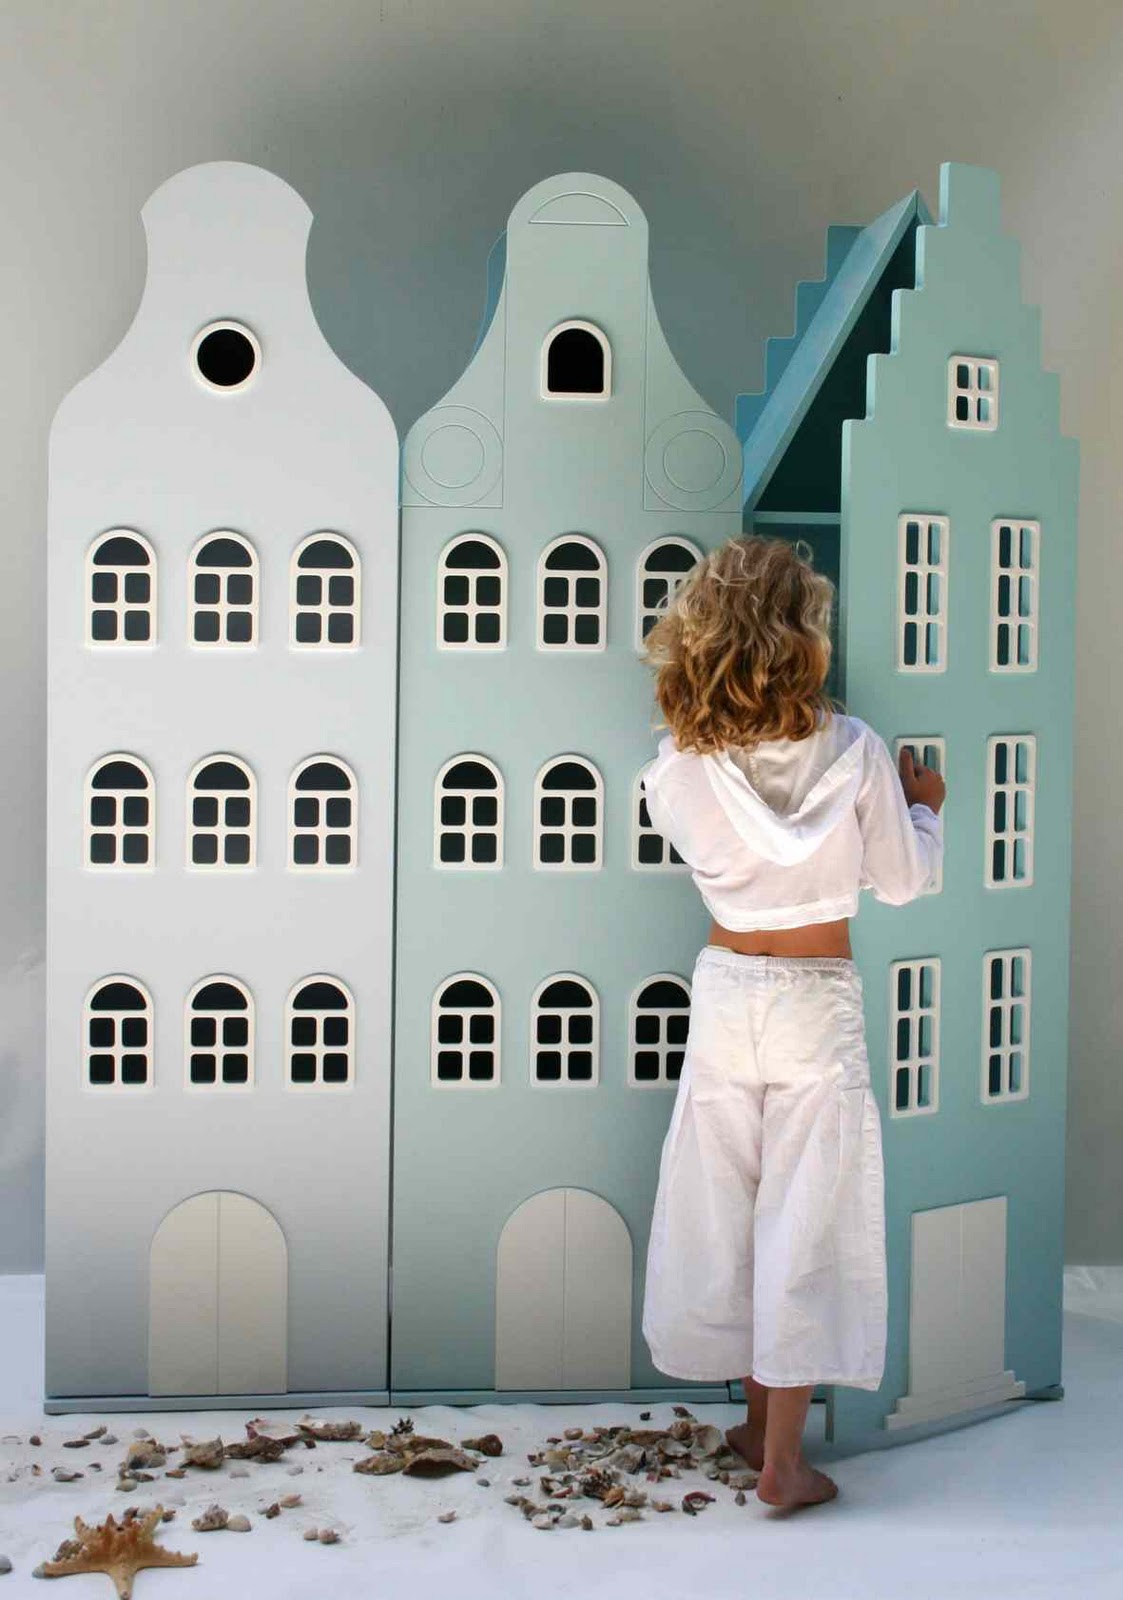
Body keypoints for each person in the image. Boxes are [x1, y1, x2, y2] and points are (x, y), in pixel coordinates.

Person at [639, 534, 945, 1511]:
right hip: (816, 995)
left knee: (726, 1206)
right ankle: (783, 1458)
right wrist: (924, 810)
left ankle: (746, 1422)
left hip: (728, 989)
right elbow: (902, 881)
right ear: (802, 633)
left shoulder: (676, 768)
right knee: (804, 1216)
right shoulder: (854, 751)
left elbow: (713, 848)